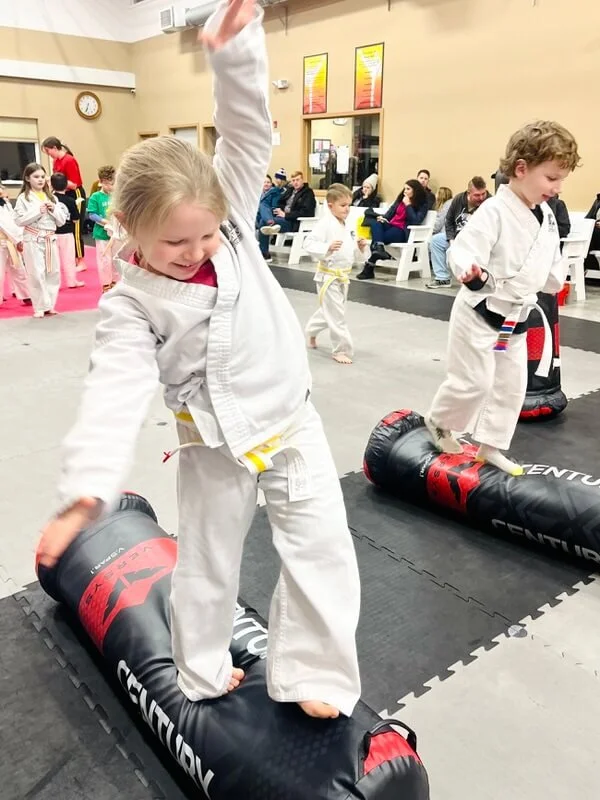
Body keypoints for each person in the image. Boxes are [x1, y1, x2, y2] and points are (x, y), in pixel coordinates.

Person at [36, 0, 361, 723]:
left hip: (291, 419)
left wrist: (236, 45)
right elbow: (113, 394)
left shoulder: (236, 219)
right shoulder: (129, 307)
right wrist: (87, 488)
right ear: (127, 229)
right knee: (208, 564)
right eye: (173, 244)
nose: (194, 254)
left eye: (205, 236)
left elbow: (248, 129)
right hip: (213, 442)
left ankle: (314, 671)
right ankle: (202, 669)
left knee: (321, 550)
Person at [424, 120, 580, 476]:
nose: (556, 188)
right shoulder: (494, 210)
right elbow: (463, 249)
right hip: (479, 313)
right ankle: (439, 421)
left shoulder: (547, 218)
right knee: (474, 381)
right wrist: (470, 271)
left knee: (511, 387)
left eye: (561, 180)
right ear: (521, 169)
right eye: (551, 178)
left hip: (513, 321)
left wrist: (556, 279)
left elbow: (550, 265)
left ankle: (490, 447)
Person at [304, 184, 369, 365]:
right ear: (330, 205)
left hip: (342, 275)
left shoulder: (347, 225)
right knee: (337, 315)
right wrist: (326, 248)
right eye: (342, 205)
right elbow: (308, 244)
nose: (347, 209)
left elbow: (349, 254)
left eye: (349, 205)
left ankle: (310, 331)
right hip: (327, 276)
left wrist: (359, 248)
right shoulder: (324, 224)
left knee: (330, 312)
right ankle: (341, 349)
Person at [14, 163, 68, 318]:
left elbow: (61, 221)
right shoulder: (23, 198)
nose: (40, 180)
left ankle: (50, 304)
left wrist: (54, 210)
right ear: (27, 178)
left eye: (43, 177)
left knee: (53, 272)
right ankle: (39, 306)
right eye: (36, 177)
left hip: (50, 238)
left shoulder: (52, 198)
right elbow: (18, 220)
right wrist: (38, 211)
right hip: (33, 238)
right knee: (36, 273)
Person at [357, 178, 428, 280]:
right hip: (391, 225)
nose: (405, 191)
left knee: (379, 238)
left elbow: (415, 220)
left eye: (408, 189)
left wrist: (408, 205)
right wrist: (384, 218)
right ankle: (379, 249)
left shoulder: (422, 204)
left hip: (402, 231)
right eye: (404, 188)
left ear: (415, 191)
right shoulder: (400, 199)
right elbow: (390, 212)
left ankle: (370, 266)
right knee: (376, 224)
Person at [426, 176, 489, 289]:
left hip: (476, 240)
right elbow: (449, 221)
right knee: (436, 241)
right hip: (457, 236)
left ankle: (476, 279)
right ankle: (442, 278)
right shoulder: (458, 199)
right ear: (469, 193)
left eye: (483, 194)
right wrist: (451, 240)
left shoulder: (489, 202)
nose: (481, 198)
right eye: (477, 195)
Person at [41, 137, 87, 268]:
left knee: (76, 227)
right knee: (66, 226)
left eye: (49, 152)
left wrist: (55, 182)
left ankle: (81, 260)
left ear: (55, 148)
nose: (49, 155)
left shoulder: (69, 160)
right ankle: (72, 259)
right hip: (63, 193)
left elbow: (74, 184)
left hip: (74, 193)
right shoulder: (56, 161)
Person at [50, 173, 86, 289]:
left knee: (53, 260)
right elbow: (76, 218)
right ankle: (71, 281)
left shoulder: (50, 199)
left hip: (52, 233)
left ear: (51, 185)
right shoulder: (70, 200)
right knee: (69, 258)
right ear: (66, 185)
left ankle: (55, 284)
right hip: (67, 233)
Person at [87, 166, 119, 292]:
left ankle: (116, 281)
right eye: (109, 184)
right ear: (102, 182)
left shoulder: (117, 195)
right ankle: (106, 283)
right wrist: (105, 221)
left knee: (116, 259)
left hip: (116, 233)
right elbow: (92, 214)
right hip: (102, 233)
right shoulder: (96, 197)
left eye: (113, 184)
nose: (112, 187)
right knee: (104, 259)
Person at [260, 170, 316, 236]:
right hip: (281, 217)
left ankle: (270, 222)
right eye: (293, 180)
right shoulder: (290, 190)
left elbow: (307, 212)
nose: (295, 182)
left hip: (292, 222)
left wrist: (286, 215)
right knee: (263, 204)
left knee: (263, 222)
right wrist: (279, 209)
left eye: (297, 180)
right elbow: (280, 202)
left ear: (302, 180)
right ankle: (270, 221)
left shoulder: (308, 193)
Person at [0, 183, 30, 307]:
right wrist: (18, 240)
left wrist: (19, 238)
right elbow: (4, 224)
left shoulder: (5, 204)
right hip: (4, 240)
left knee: (18, 269)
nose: (1, 189)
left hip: (11, 240)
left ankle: (26, 294)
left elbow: (13, 221)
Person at [256, 171, 285, 261]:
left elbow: (274, 206)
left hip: (270, 215)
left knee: (262, 206)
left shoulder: (274, 192)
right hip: (257, 216)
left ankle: (264, 253)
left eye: (268, 182)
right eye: (264, 182)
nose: (266, 184)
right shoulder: (257, 194)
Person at [584, 192, 600, 271]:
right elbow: (588, 218)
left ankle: (586, 266)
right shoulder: (598, 200)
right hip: (595, 232)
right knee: (587, 232)